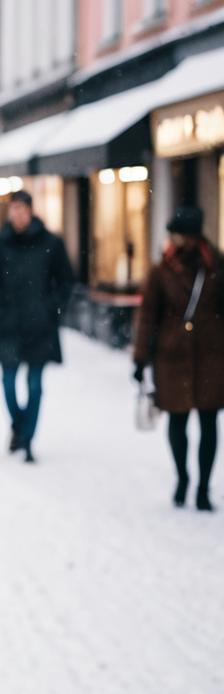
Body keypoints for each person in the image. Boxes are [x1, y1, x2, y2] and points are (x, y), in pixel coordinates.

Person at [133, 206, 224, 511]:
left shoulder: (216, 266)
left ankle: (203, 487)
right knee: (178, 419)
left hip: (211, 355)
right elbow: (148, 317)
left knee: (209, 421)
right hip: (171, 356)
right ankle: (183, 477)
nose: (172, 240)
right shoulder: (161, 271)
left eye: (177, 234)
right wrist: (141, 357)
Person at [0, 189, 73, 463]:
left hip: (40, 326)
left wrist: (52, 308)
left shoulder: (50, 243)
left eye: (22, 209)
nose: (18, 214)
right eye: (14, 209)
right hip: (8, 325)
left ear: (30, 211)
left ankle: (27, 439)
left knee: (35, 385)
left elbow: (66, 280)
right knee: (7, 383)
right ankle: (19, 426)